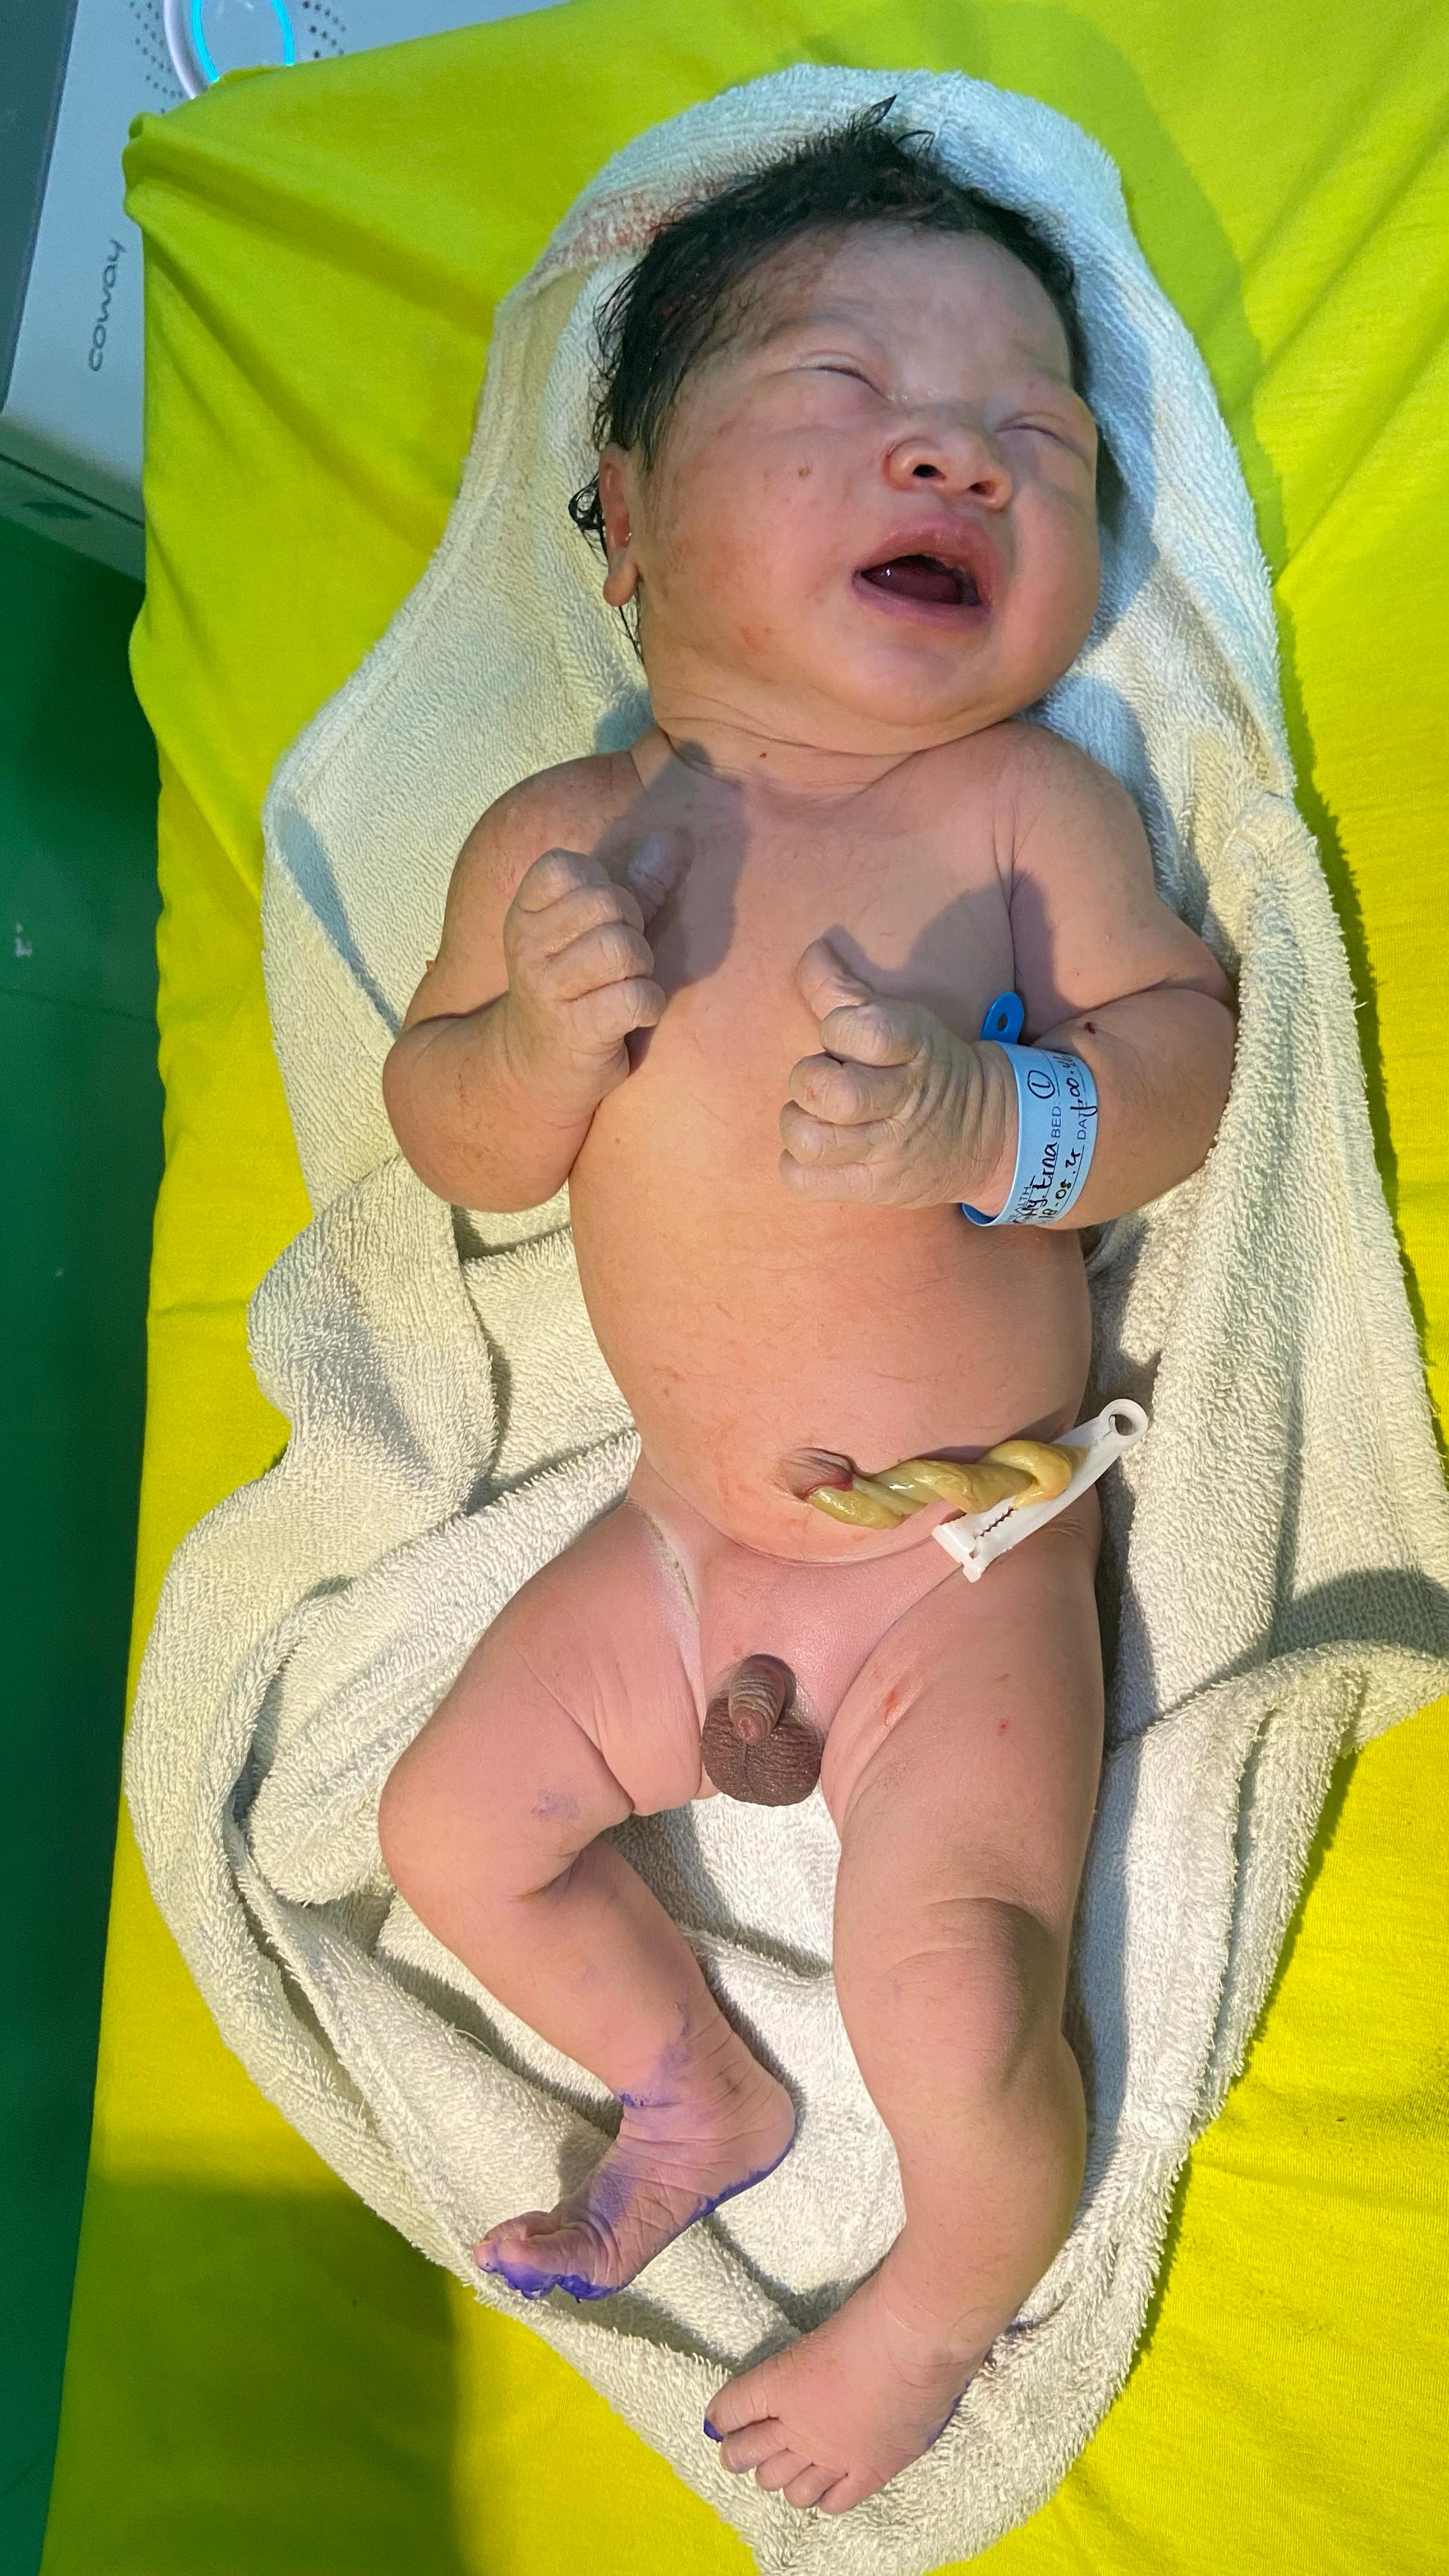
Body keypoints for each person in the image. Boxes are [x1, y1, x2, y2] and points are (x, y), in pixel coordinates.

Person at [377, 105, 1236, 2517]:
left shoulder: (1019, 810)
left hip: (960, 1565)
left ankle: (942, 2305)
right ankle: (689, 2086)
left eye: (1034, 438)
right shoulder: (560, 841)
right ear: (627, 529)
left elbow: (1183, 1070)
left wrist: (999, 1122)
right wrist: (531, 1047)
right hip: (679, 1539)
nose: (954, 453)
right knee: (445, 1829)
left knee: (953, 1990)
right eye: (845, 390)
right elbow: (452, 1140)